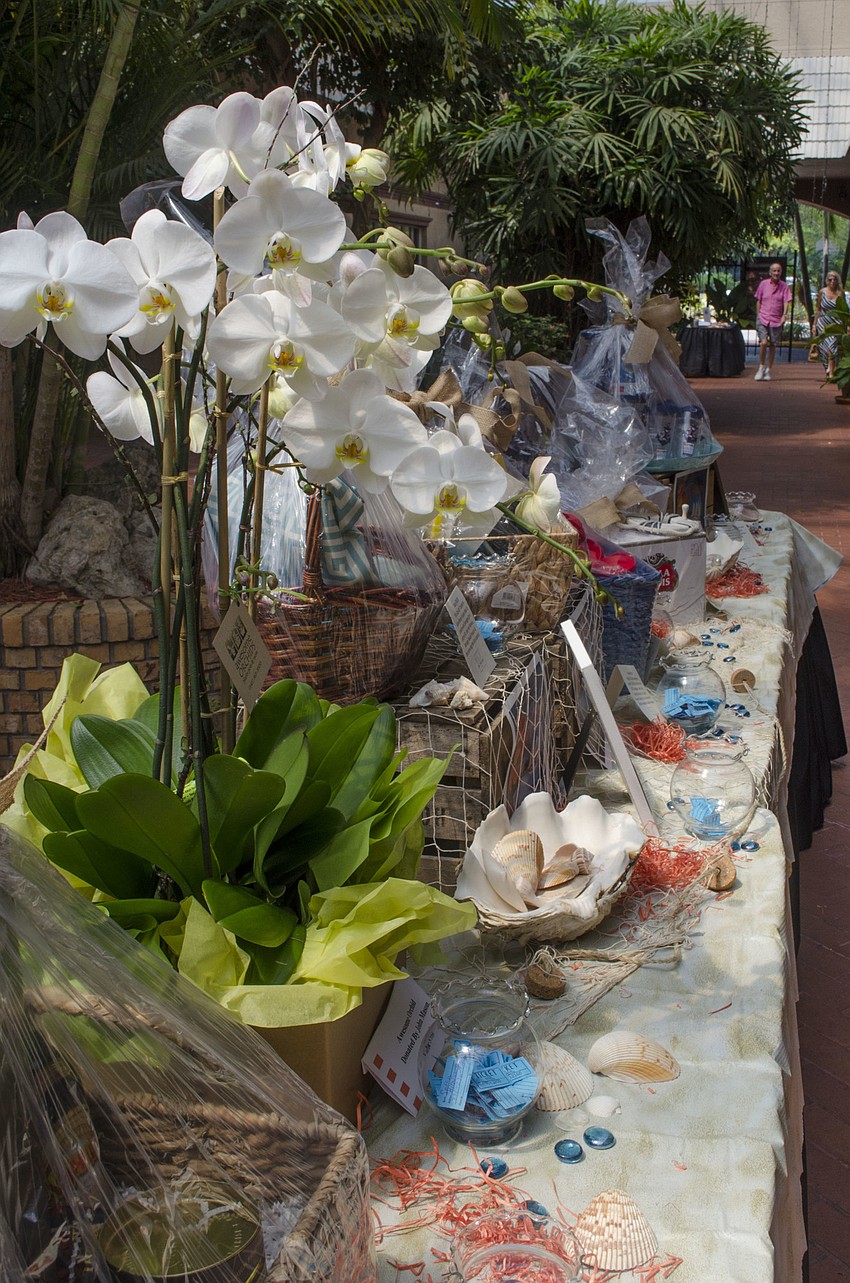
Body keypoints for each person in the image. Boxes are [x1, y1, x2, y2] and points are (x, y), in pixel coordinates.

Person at [753, 261, 792, 381]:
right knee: (764, 342)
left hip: (776, 319)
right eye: (774, 270)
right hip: (763, 317)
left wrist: (784, 315)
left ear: (781, 272)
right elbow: (758, 300)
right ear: (770, 272)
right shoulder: (763, 284)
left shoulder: (784, 286)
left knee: (773, 344)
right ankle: (761, 367)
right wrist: (758, 315)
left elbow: (786, 301)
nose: (776, 273)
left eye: (778, 271)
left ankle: (768, 370)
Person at [812, 270, 846, 379]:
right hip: (823, 323)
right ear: (827, 280)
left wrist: (846, 325)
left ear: (837, 281)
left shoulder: (840, 293)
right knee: (823, 349)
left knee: (832, 347)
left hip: (835, 324)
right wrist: (814, 325)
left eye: (834, 279)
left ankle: (831, 373)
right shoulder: (822, 292)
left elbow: (844, 310)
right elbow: (818, 309)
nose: (832, 282)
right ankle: (828, 368)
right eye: (830, 279)